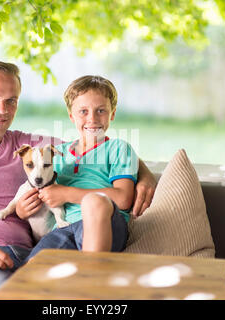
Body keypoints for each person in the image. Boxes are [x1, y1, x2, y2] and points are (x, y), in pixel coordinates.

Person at [0, 60, 156, 300]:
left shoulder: (29, 147)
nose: (2, 110)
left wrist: (143, 175)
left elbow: (93, 145)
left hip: (27, 254)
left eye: (11, 101)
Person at [23, 75, 140, 262]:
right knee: (31, 269)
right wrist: (22, 210)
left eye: (101, 110)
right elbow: (37, 189)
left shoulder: (118, 148)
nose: (92, 118)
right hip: (64, 227)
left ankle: (92, 281)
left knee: (95, 202)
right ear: (71, 116)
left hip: (105, 223)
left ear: (112, 114)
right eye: (83, 111)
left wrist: (67, 193)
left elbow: (124, 198)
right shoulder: (55, 154)